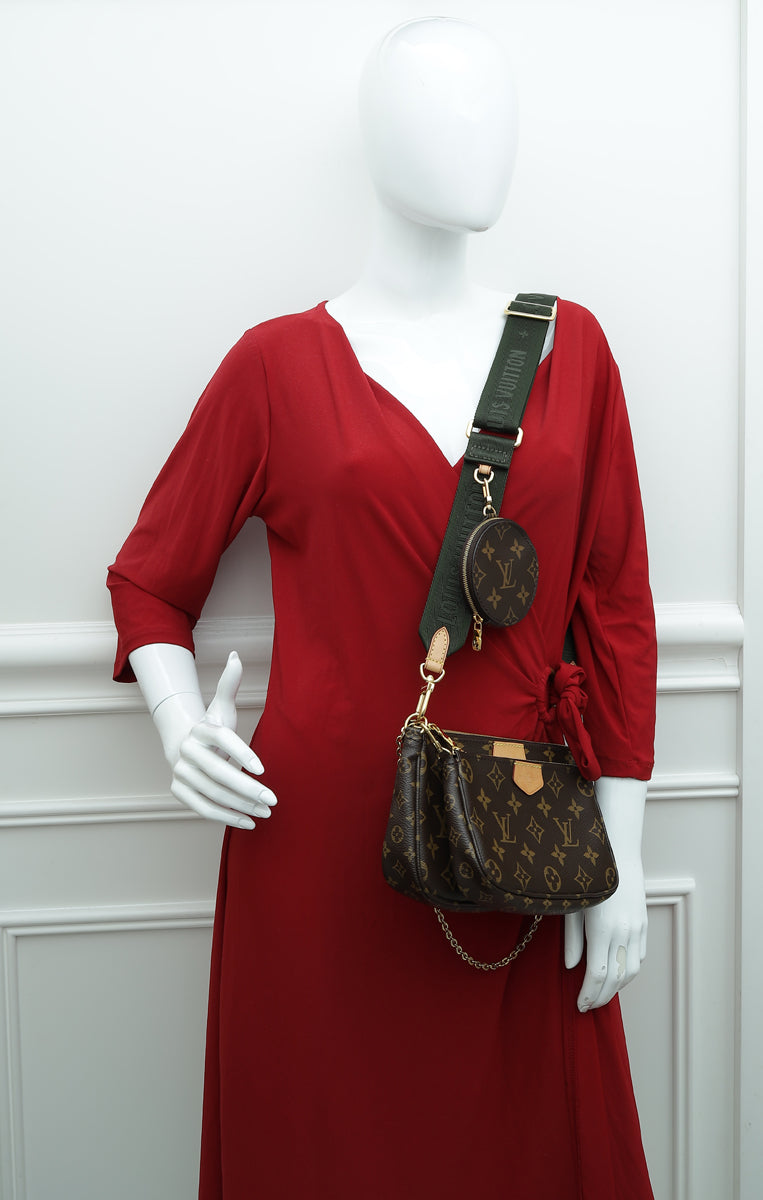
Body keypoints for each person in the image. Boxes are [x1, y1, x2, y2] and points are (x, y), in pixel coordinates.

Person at [108, 17, 657, 1199]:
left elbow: (616, 608)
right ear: (375, 137)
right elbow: (148, 579)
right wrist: (178, 723)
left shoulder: (575, 351)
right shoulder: (275, 365)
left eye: (496, 110)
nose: (481, 140)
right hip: (322, 845)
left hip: (522, 837)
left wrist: (627, 847)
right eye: (443, 111)